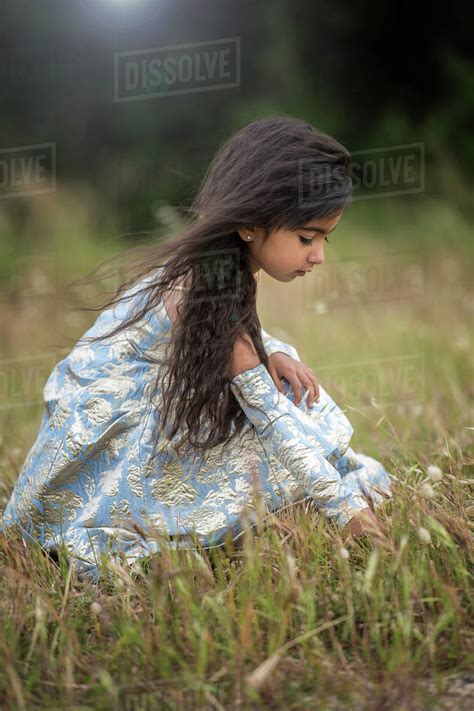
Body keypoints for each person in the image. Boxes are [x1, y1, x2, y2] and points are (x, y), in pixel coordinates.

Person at [0, 116, 392, 583]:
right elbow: (268, 415)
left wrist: (271, 353)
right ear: (249, 224)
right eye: (307, 238)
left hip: (152, 401)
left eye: (324, 239)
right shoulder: (201, 291)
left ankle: (299, 494)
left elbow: (238, 345)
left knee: (290, 387)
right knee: (278, 413)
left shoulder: (226, 266)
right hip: (108, 427)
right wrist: (347, 511)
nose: (318, 256)